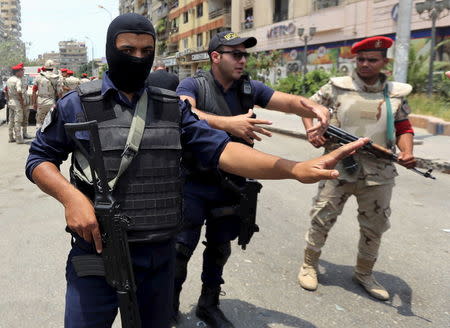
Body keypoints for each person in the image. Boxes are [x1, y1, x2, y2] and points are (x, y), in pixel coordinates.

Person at [26, 14, 367, 328]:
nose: (137, 57)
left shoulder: (170, 107)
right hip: (97, 252)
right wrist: (70, 197)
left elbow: (224, 150)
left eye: (147, 50)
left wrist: (295, 169)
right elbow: (39, 158)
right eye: (127, 49)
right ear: (110, 49)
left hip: (157, 255)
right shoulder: (77, 104)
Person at [173, 31, 335, 327]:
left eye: (245, 54)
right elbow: (186, 112)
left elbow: (287, 102)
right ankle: (170, 305)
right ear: (215, 57)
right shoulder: (192, 84)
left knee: (220, 247)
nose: (242, 60)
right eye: (236, 54)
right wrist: (228, 123)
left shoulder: (249, 88)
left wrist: (313, 107)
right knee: (180, 249)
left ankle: (209, 304)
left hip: (231, 182)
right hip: (193, 182)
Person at [297, 36, 417, 301]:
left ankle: (364, 272)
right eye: (360, 59)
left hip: (379, 170)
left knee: (375, 225)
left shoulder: (395, 94)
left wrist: (407, 152)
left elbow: (404, 127)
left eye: (372, 60)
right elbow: (305, 107)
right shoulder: (337, 88)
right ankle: (309, 265)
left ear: (384, 62)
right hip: (337, 166)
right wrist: (312, 133)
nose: (364, 64)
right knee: (322, 216)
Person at [32, 60, 59, 129]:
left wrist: (34, 103)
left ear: (44, 67)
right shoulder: (56, 77)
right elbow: (59, 93)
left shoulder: (38, 77)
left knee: (39, 122)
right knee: (52, 122)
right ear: (53, 68)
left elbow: (34, 91)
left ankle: (39, 137)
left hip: (41, 102)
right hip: (51, 102)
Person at [6, 63, 26, 143]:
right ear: (17, 72)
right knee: (18, 120)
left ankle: (10, 137)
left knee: (11, 120)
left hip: (10, 101)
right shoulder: (18, 80)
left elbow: (6, 91)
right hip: (17, 102)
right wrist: (21, 100)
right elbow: (19, 91)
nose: (22, 72)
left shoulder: (9, 79)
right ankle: (18, 138)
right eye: (22, 71)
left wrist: (8, 99)